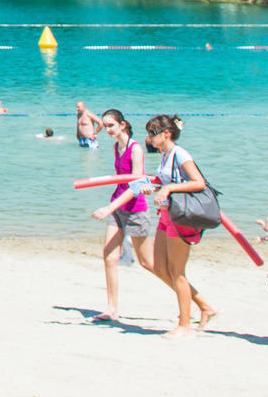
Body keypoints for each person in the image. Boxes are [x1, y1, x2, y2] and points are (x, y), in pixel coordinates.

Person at [142, 114, 218, 337]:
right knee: (159, 267)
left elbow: (198, 183)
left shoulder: (180, 154)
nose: (149, 138)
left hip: (181, 218)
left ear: (166, 134)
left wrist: (168, 189)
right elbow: (171, 183)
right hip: (166, 214)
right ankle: (205, 306)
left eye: (152, 133)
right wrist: (156, 189)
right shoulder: (165, 155)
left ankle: (184, 324)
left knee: (177, 272)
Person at [89, 109, 155, 322]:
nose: (107, 130)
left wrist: (108, 208)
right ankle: (111, 309)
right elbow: (121, 180)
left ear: (122, 125)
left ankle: (191, 298)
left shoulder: (136, 149)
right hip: (118, 207)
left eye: (111, 125)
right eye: (105, 126)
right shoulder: (116, 147)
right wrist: (113, 207)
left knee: (148, 263)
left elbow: (136, 186)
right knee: (109, 256)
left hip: (136, 211)